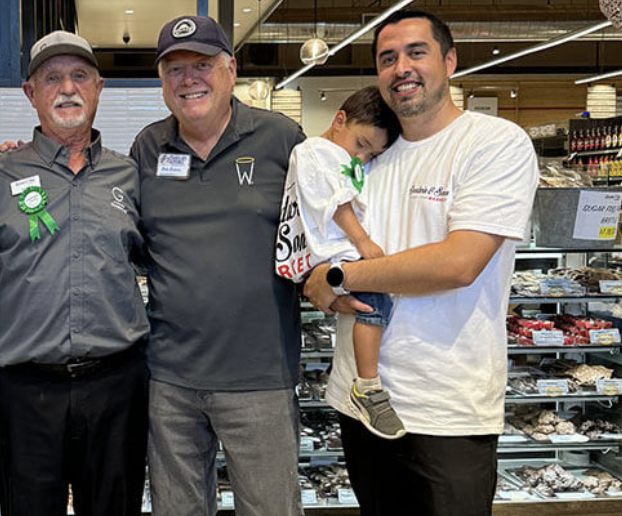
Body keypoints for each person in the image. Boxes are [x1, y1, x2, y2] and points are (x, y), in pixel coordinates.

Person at [302, 9, 539, 516]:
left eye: (416, 52)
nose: (401, 68)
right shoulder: (368, 157)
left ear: (450, 61)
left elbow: (458, 264)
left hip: (447, 410)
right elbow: (323, 241)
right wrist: (312, 282)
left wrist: (338, 276)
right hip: (359, 402)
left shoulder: (493, 143)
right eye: (387, 59)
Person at [129, 16, 306, 516]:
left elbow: (323, 226)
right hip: (170, 380)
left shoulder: (280, 139)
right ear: (163, 82)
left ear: (230, 69)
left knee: (271, 508)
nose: (189, 79)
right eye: (175, 69)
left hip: (261, 378)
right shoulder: (148, 146)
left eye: (202, 65)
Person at [0, 31, 150, 516]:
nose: (67, 89)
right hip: (27, 392)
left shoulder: (130, 176)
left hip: (118, 386)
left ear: (98, 88)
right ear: (31, 93)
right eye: (52, 78)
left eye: (79, 77)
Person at [274, 86, 405, 439]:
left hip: (324, 253)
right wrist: (364, 244)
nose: (362, 157)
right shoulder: (319, 151)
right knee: (374, 304)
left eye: (372, 153)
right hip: (332, 251)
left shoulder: (334, 156)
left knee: (371, 305)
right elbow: (338, 205)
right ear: (339, 120)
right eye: (361, 144)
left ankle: (367, 384)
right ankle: (368, 386)